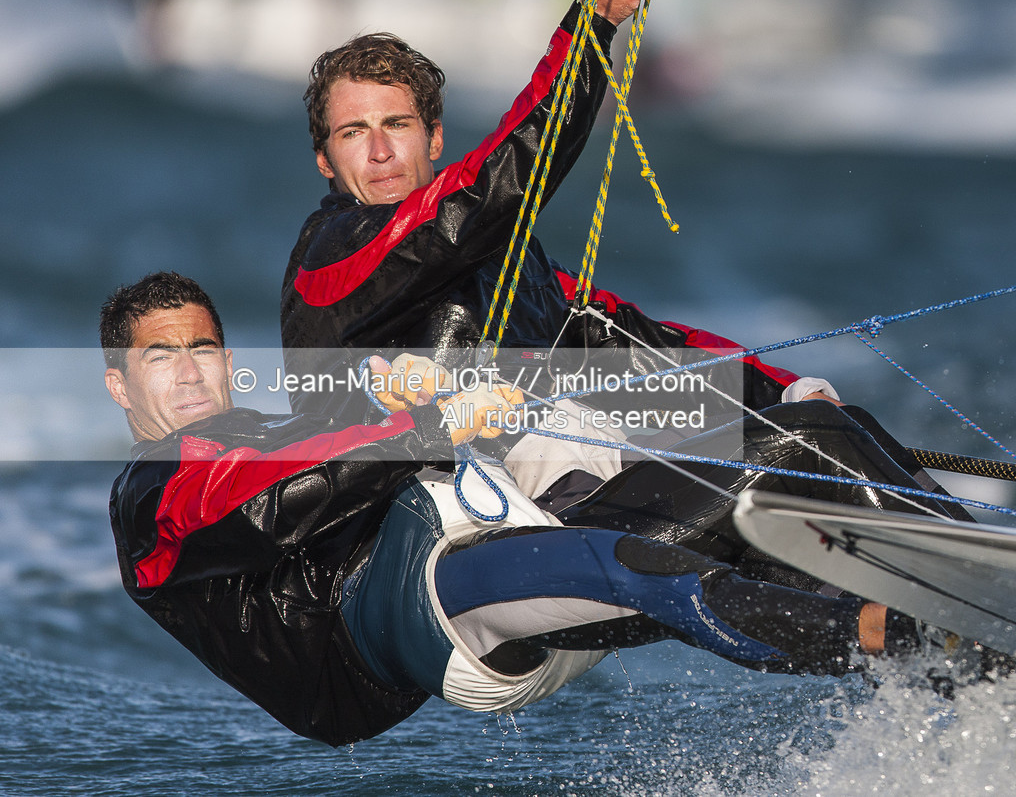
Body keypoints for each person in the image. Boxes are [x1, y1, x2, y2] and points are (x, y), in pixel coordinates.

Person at [106, 272, 963, 746]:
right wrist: (427, 420)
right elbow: (263, 506)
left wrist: (412, 396)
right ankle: (897, 634)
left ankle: (971, 589)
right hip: (423, 611)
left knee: (805, 437)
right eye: (159, 358)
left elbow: (343, 443)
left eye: (202, 348)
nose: (187, 371)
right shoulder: (151, 495)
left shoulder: (273, 426)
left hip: (513, 541)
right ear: (118, 385)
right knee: (637, 567)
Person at [279, 0, 824, 432]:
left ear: (434, 140)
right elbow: (485, 193)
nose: (379, 152)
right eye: (353, 133)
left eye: (397, 125)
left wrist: (790, 393)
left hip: (536, 472)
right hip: (408, 492)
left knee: (818, 433)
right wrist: (592, 26)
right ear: (324, 161)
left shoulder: (508, 259)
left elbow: (630, 342)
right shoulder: (333, 251)